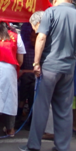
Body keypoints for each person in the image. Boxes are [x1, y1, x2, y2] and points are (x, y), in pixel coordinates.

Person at [19, 0, 76, 151]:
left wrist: (36, 62)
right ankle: (63, 148)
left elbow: (41, 37)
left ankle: (34, 146)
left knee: (42, 106)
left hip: (49, 66)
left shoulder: (50, 13)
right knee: (64, 108)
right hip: (69, 68)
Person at [24, 12, 55, 140]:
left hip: (49, 70)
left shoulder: (44, 35)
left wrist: (36, 63)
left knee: (45, 103)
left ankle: (42, 134)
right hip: (62, 68)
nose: (35, 32)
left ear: (38, 24)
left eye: (34, 28)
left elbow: (41, 40)